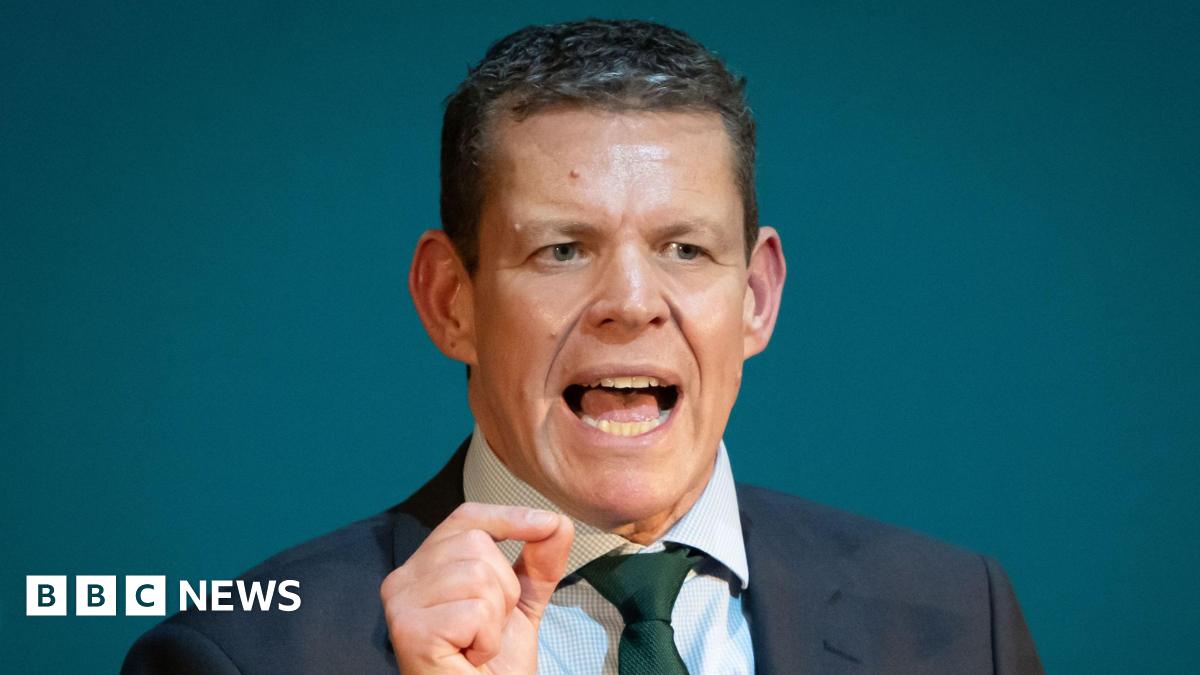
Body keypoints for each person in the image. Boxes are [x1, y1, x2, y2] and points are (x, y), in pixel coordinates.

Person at [123, 18, 1043, 674]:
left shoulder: (963, 622)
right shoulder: (246, 650)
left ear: (756, 296)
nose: (631, 304)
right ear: (453, 301)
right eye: (563, 250)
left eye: (684, 249)